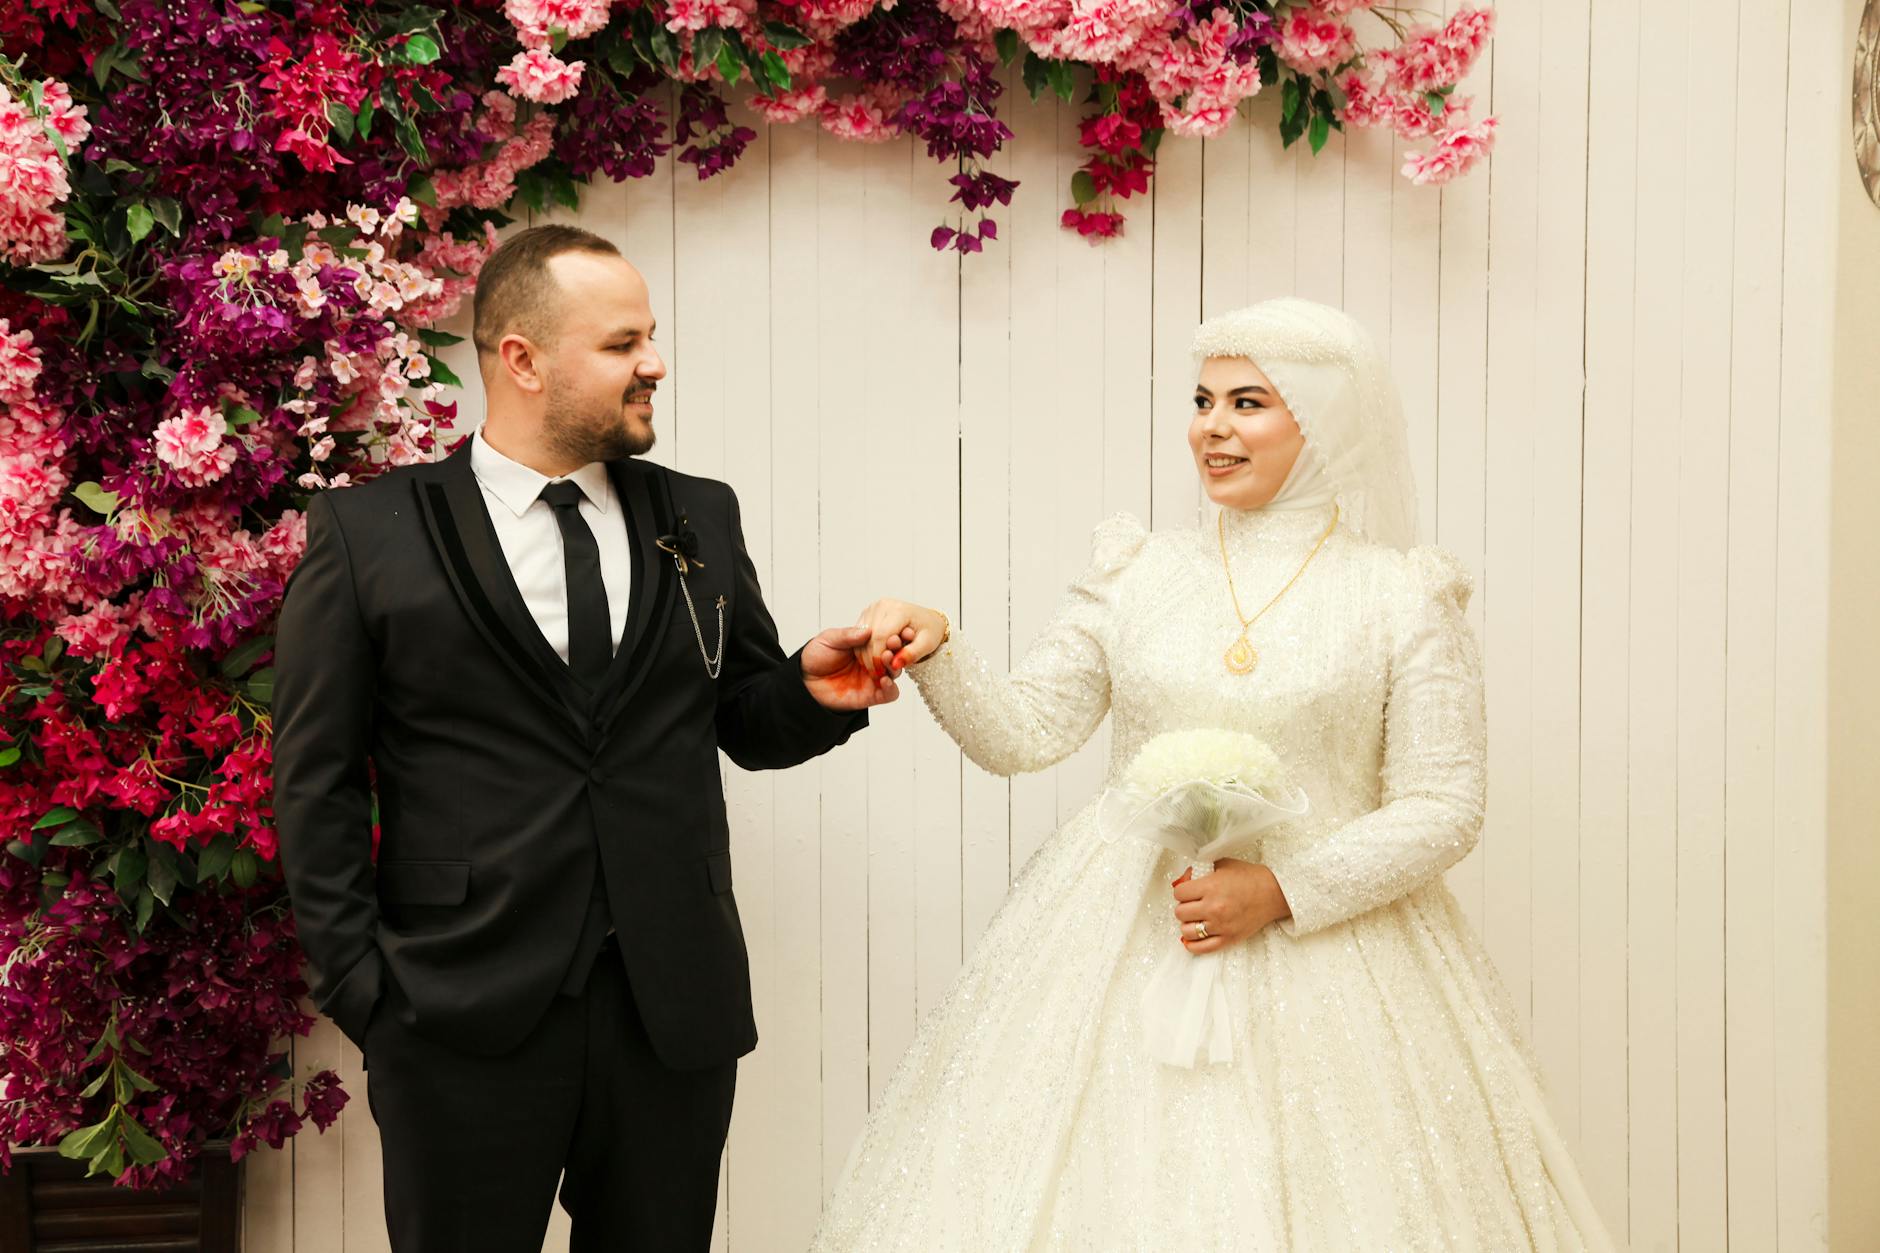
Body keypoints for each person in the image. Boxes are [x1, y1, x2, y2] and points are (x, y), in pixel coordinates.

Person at [818, 297, 1618, 1250]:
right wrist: (938, 648)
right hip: (1122, 937)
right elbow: (1027, 732)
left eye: (1249, 402)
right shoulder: (1139, 570)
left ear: (1323, 420)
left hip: (1335, 965)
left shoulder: (1401, 594)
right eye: (1202, 401)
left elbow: (1445, 803)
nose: (1213, 428)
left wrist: (1283, 888)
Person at [272, 224, 898, 1252]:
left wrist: (809, 690)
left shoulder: (697, 514)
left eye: (650, 336)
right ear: (520, 358)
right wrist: (366, 991)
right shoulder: (369, 533)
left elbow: (739, 715)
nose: (654, 362)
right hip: (458, 1008)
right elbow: (317, 779)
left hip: (671, 1008)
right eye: (621, 343)